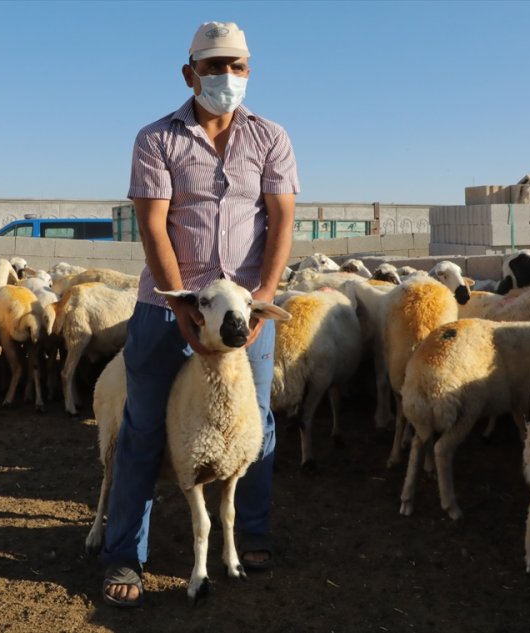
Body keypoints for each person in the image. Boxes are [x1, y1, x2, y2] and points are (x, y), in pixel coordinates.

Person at [99, 20, 299, 607]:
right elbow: (153, 223)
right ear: (190, 73)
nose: (227, 76)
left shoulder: (272, 138)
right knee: (143, 424)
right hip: (167, 308)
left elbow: (281, 220)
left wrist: (262, 297)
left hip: (244, 312)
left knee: (253, 423)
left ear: (249, 71)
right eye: (214, 66)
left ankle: (251, 535)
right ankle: (124, 555)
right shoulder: (156, 138)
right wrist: (177, 301)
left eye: (237, 65)